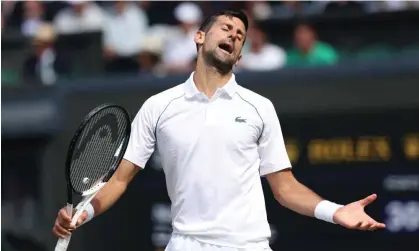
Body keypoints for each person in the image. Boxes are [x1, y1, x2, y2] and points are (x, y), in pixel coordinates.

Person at [52, 10, 386, 251]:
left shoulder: (259, 108)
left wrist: (336, 211)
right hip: (185, 244)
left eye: (239, 35)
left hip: (248, 245)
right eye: (226, 28)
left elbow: (284, 189)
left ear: (239, 55)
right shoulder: (159, 106)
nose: (233, 35)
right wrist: (82, 212)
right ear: (200, 37)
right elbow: (120, 179)